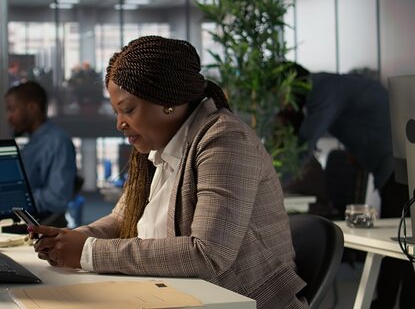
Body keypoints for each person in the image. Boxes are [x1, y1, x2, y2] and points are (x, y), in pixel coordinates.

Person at [29, 36, 307, 308]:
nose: (120, 124)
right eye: (116, 112)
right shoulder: (158, 147)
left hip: (237, 301)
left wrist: (88, 252)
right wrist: (67, 240)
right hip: (174, 296)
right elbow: (121, 219)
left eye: (127, 110)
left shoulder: (226, 140)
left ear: (167, 101)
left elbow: (208, 254)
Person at [278, 64, 415, 308]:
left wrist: (270, 183)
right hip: (393, 166)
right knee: (403, 243)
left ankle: (386, 303)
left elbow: (304, 145)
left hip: (400, 167)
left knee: (403, 245)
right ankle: (386, 302)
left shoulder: (325, 91)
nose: (284, 104)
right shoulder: (329, 89)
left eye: (283, 97)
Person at [5, 81, 77, 227]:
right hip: (25, 220)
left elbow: (58, 199)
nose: (9, 117)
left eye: (12, 110)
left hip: (41, 228)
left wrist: (15, 198)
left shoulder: (57, 142)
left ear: (32, 107)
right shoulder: (33, 142)